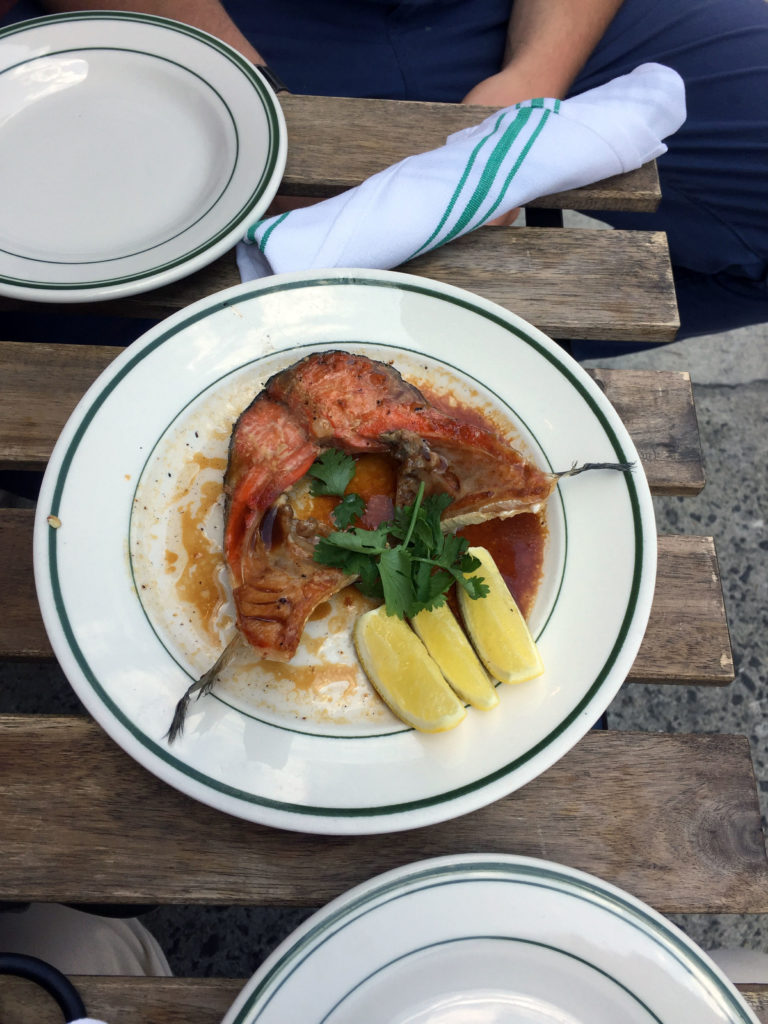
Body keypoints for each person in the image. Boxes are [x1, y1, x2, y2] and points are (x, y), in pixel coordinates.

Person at [1, 0, 767, 344]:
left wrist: (532, 91)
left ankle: (499, 345)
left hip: (500, 14)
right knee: (96, 297)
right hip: (205, 23)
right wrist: (263, 124)